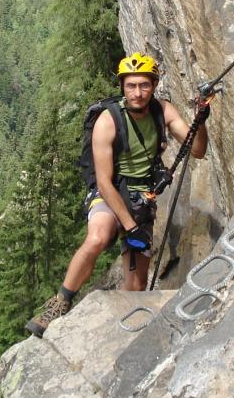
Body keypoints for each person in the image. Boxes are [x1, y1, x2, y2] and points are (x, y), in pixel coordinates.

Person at [25, 52, 209, 337]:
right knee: (98, 236)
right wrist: (130, 225)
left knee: (135, 289)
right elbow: (104, 182)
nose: (137, 92)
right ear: (122, 87)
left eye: (144, 85)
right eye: (131, 85)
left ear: (154, 85)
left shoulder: (163, 112)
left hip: (141, 195)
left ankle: (122, 334)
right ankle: (59, 303)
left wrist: (201, 120)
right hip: (109, 191)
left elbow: (197, 150)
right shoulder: (108, 121)